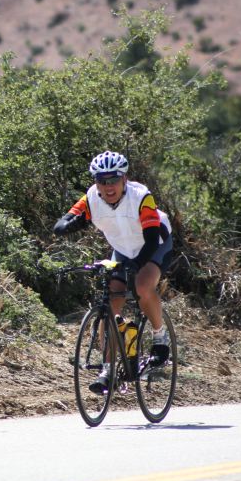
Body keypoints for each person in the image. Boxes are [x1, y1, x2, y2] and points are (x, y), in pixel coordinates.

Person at [53, 151, 173, 394]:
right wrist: (74, 223)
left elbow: (150, 239)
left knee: (141, 286)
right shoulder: (91, 198)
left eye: (113, 179)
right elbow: (61, 225)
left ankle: (161, 338)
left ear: (124, 179)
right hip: (122, 249)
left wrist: (137, 264)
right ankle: (108, 368)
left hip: (155, 245)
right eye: (102, 180)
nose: (108, 186)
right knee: (110, 301)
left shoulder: (141, 197)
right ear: (96, 182)